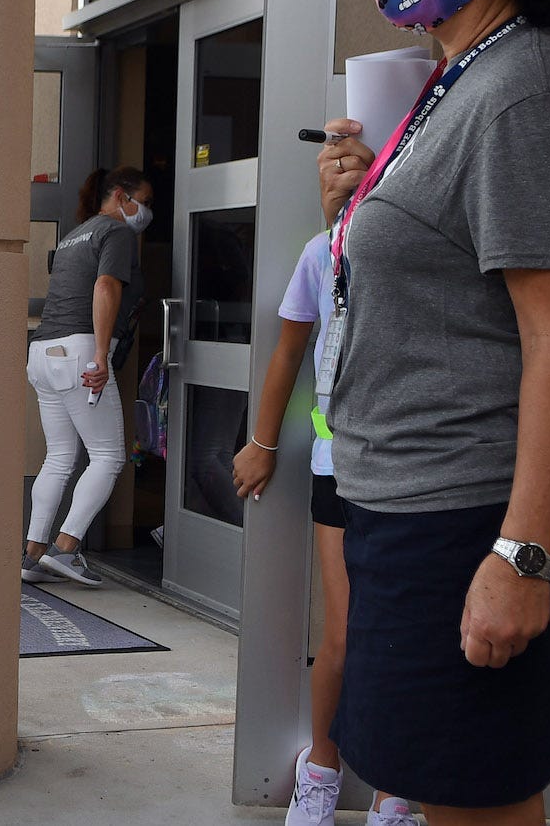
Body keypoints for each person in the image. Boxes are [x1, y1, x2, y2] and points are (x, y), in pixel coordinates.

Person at [312, 0, 550, 825]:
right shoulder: (454, 83)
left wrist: (520, 557)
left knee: (472, 797)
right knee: (438, 784)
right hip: (410, 501)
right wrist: (352, 208)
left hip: (465, 515)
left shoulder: (521, 91)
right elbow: (430, 280)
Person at [233, 231, 414, 826]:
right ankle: (321, 770)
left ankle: (394, 791)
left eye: (353, 156)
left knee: (403, 634)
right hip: (338, 467)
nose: (337, 168)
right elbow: (289, 350)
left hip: (420, 470)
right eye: (329, 155)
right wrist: (261, 442)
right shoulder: (320, 251)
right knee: (343, 631)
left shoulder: (425, 238)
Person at [20, 166, 152, 587]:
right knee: (108, 456)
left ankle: (32, 554)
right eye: (142, 201)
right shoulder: (116, 233)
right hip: (80, 352)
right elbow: (106, 287)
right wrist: (100, 356)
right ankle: (66, 548)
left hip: (43, 353)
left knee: (58, 456)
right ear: (120, 196)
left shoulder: (74, 236)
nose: (145, 211)